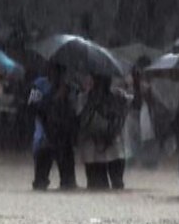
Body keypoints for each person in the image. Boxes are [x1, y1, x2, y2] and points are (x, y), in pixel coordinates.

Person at [28, 62, 78, 190]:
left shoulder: (71, 88)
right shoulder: (39, 85)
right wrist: (53, 96)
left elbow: (74, 113)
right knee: (40, 182)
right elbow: (32, 107)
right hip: (44, 135)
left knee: (68, 183)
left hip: (64, 137)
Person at [77, 73, 130, 190]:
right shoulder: (84, 98)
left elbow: (132, 105)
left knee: (117, 185)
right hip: (92, 151)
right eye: (99, 79)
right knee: (96, 187)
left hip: (114, 149)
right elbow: (80, 121)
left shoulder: (119, 97)